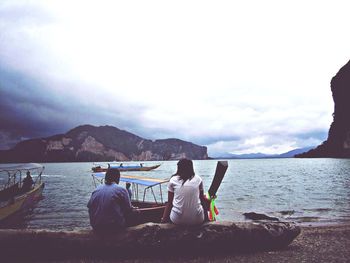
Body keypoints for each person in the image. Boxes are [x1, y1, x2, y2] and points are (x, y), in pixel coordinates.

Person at [161, 158, 209, 225]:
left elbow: (169, 203)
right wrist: (207, 219)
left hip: (178, 220)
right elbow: (202, 199)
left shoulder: (173, 180)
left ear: (179, 168)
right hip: (198, 219)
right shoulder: (198, 179)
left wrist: (163, 220)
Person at [87, 168, 134, 233]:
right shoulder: (121, 190)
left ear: (106, 178)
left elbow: (89, 207)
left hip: (95, 226)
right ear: (117, 178)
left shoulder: (97, 189)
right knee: (132, 212)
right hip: (113, 227)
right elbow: (128, 209)